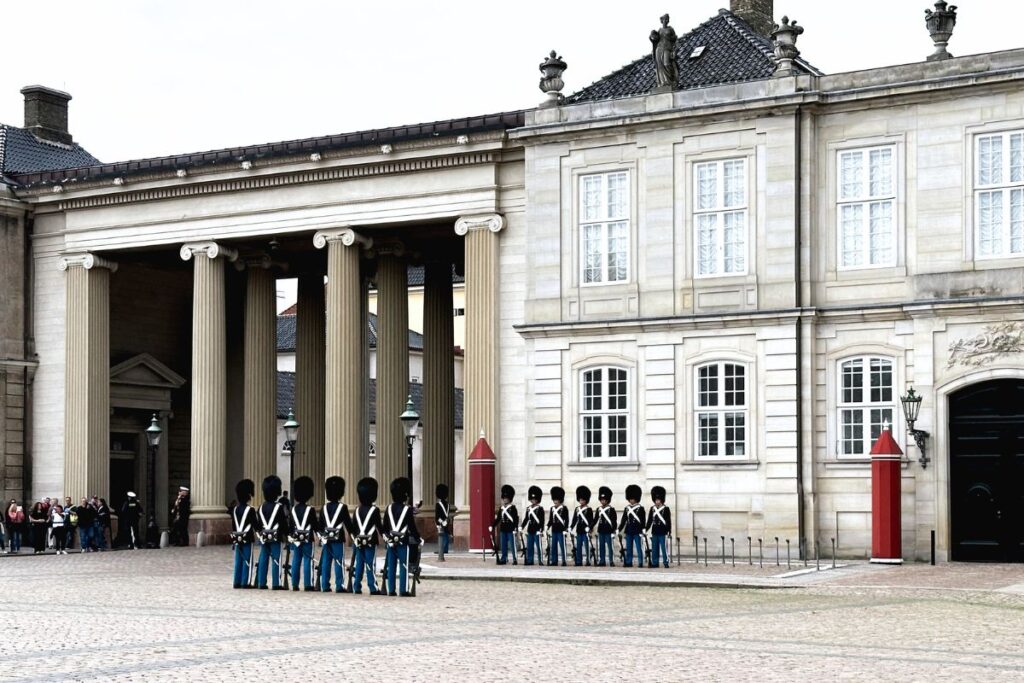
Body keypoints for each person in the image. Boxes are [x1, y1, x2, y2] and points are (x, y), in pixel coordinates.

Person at [381, 477, 420, 597]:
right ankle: (403, 589)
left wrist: (388, 538)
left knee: (391, 566)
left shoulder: (388, 508)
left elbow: (385, 527)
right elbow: (412, 527)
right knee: (404, 565)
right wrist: (419, 539)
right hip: (403, 542)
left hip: (391, 541)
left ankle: (391, 589)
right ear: (405, 495)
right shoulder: (407, 510)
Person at [319, 476, 352, 593]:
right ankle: (339, 585)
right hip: (338, 539)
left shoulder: (324, 508)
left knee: (326, 562)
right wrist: (354, 534)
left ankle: (325, 585)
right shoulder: (343, 507)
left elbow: (320, 525)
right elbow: (348, 524)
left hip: (327, 538)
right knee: (339, 562)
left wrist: (322, 536)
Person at [351, 477, 383, 595]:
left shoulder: (356, 510)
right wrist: (385, 534)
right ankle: (372, 586)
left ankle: (356, 586)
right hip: (370, 540)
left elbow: (353, 527)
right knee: (370, 563)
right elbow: (379, 526)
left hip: (359, 540)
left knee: (359, 564)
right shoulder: (375, 510)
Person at [255, 475, 286, 590]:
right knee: (276, 559)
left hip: (264, 535)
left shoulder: (261, 507)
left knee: (263, 558)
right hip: (275, 536)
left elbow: (258, 524)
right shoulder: (278, 507)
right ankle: (276, 583)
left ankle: (261, 582)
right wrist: (287, 534)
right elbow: (283, 523)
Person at [288, 476, 318, 592]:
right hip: (307, 538)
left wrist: (291, 535)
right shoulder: (310, 509)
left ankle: (295, 584)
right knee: (308, 560)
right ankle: (308, 584)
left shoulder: (293, 509)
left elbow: (291, 525)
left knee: (296, 559)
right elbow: (315, 525)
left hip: (296, 538)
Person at [230, 479, 256, 589]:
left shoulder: (235, 509)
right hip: (248, 537)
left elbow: (233, 524)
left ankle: (236, 581)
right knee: (247, 560)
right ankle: (245, 581)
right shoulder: (250, 510)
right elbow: (255, 524)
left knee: (238, 560)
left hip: (237, 536)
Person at [489, 484, 518, 566]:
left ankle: (515, 559)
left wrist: (515, 528)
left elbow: (515, 519)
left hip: (511, 529)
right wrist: (493, 525)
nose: (505, 500)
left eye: (506, 498)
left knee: (512, 546)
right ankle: (503, 558)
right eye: (504, 498)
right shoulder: (501, 508)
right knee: (503, 546)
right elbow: (498, 519)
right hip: (503, 529)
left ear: (510, 499)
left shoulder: (513, 508)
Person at [619, 484, 646, 568]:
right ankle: (628, 561)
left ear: (636, 498)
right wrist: (619, 529)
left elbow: (643, 520)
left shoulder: (640, 508)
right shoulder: (627, 508)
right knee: (629, 548)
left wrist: (643, 529)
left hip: (637, 530)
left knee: (639, 548)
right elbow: (623, 520)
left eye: (633, 499)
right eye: (630, 499)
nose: (631, 500)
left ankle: (640, 562)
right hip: (629, 530)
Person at [646, 486, 671, 568]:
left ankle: (665, 562)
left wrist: (669, 530)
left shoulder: (666, 509)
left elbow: (668, 520)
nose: (657, 501)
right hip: (655, 531)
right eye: (656, 500)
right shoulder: (652, 509)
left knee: (664, 549)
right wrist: (645, 529)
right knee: (655, 548)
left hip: (663, 531)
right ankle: (655, 562)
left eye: (658, 500)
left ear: (661, 500)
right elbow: (649, 520)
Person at [571, 485, 595, 567]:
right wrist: (571, 527)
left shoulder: (589, 509)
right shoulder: (577, 509)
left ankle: (588, 561)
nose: (581, 501)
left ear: (586, 500)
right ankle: (578, 561)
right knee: (578, 547)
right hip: (579, 530)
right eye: (580, 500)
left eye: (583, 500)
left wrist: (590, 528)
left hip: (586, 530)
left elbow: (591, 520)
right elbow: (574, 519)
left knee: (587, 546)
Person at [521, 486, 544, 566]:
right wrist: (522, 526)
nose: (533, 500)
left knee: (539, 547)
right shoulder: (528, 509)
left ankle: (540, 560)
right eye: (532, 499)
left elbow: (542, 520)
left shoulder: (540, 509)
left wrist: (541, 529)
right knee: (529, 546)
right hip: (530, 529)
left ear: (538, 499)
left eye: (535, 499)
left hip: (537, 529)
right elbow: (526, 519)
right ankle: (530, 560)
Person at [596, 486, 617, 567]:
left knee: (610, 547)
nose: (603, 501)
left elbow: (614, 521)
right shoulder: (599, 509)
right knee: (601, 547)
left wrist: (614, 530)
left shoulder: (611, 509)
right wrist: (590, 527)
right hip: (601, 530)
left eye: (604, 500)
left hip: (609, 530)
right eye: (601, 500)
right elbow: (595, 520)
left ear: (607, 500)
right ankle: (602, 560)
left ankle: (611, 561)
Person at [547, 486, 568, 567]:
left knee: (562, 546)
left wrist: (566, 529)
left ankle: (564, 560)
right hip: (554, 529)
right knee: (553, 546)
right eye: (554, 499)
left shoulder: (564, 508)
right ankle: (554, 561)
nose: (555, 501)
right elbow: (551, 520)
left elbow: (567, 519)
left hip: (561, 530)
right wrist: (547, 526)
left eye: (556, 499)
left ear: (560, 499)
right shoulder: (552, 508)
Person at [434, 483, 455, 556]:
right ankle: (445, 548)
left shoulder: (438, 504)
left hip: (441, 521)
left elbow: (437, 516)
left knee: (441, 535)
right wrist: (445, 522)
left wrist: (438, 522)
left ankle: (441, 549)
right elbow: (447, 514)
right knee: (446, 534)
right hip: (446, 520)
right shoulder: (448, 504)